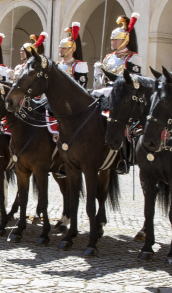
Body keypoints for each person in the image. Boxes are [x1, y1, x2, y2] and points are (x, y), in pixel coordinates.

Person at [98, 14, 143, 174]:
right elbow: (102, 80)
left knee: (122, 121)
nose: (113, 42)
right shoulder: (108, 58)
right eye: (112, 40)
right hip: (106, 93)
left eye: (116, 40)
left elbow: (132, 81)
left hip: (124, 96)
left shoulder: (133, 57)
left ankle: (124, 157)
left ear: (125, 39)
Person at [57, 23, 90, 87]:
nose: (61, 50)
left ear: (72, 50)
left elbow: (80, 87)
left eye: (64, 48)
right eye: (60, 48)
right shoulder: (57, 65)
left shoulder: (78, 65)